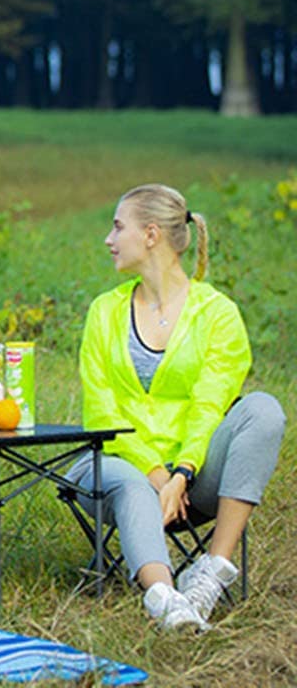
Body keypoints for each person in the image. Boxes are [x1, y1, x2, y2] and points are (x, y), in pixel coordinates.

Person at [70, 184, 285, 631]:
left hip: (195, 478)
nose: (109, 240)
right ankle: (165, 597)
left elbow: (212, 403)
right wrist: (157, 475)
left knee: (263, 409)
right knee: (130, 483)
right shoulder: (104, 312)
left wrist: (183, 471)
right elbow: (102, 411)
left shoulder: (218, 313)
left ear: (151, 234)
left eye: (117, 227)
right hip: (115, 463)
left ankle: (212, 574)